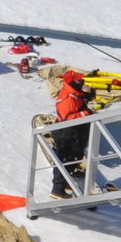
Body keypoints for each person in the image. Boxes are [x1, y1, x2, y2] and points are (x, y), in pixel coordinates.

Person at [50, 71, 93, 199]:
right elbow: (66, 118)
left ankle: (65, 182)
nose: (82, 82)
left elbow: (83, 99)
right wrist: (85, 114)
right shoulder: (67, 98)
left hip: (77, 132)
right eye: (79, 81)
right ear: (72, 82)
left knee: (77, 156)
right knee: (65, 159)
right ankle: (57, 190)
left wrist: (90, 93)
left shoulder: (75, 93)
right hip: (67, 133)